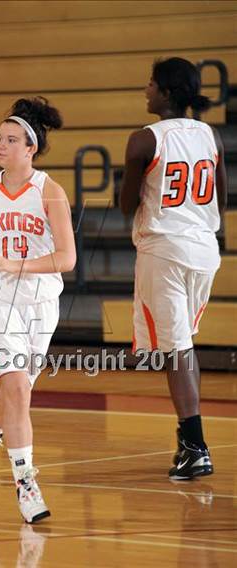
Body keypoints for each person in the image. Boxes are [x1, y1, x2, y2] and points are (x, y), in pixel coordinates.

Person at [0, 96, 76, 521]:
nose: (1, 146)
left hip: (39, 302)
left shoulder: (51, 193)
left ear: (31, 148)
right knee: (19, 389)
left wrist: (19, 264)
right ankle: (26, 484)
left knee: (15, 393)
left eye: (10, 140)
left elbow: (67, 258)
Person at [120, 57, 227, 480]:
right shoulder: (209, 135)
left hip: (164, 249)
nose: (145, 89)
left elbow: (126, 205)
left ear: (165, 92)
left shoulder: (144, 139)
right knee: (185, 344)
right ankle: (189, 442)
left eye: (150, 83)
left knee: (178, 348)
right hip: (204, 249)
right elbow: (220, 200)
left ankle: (196, 446)